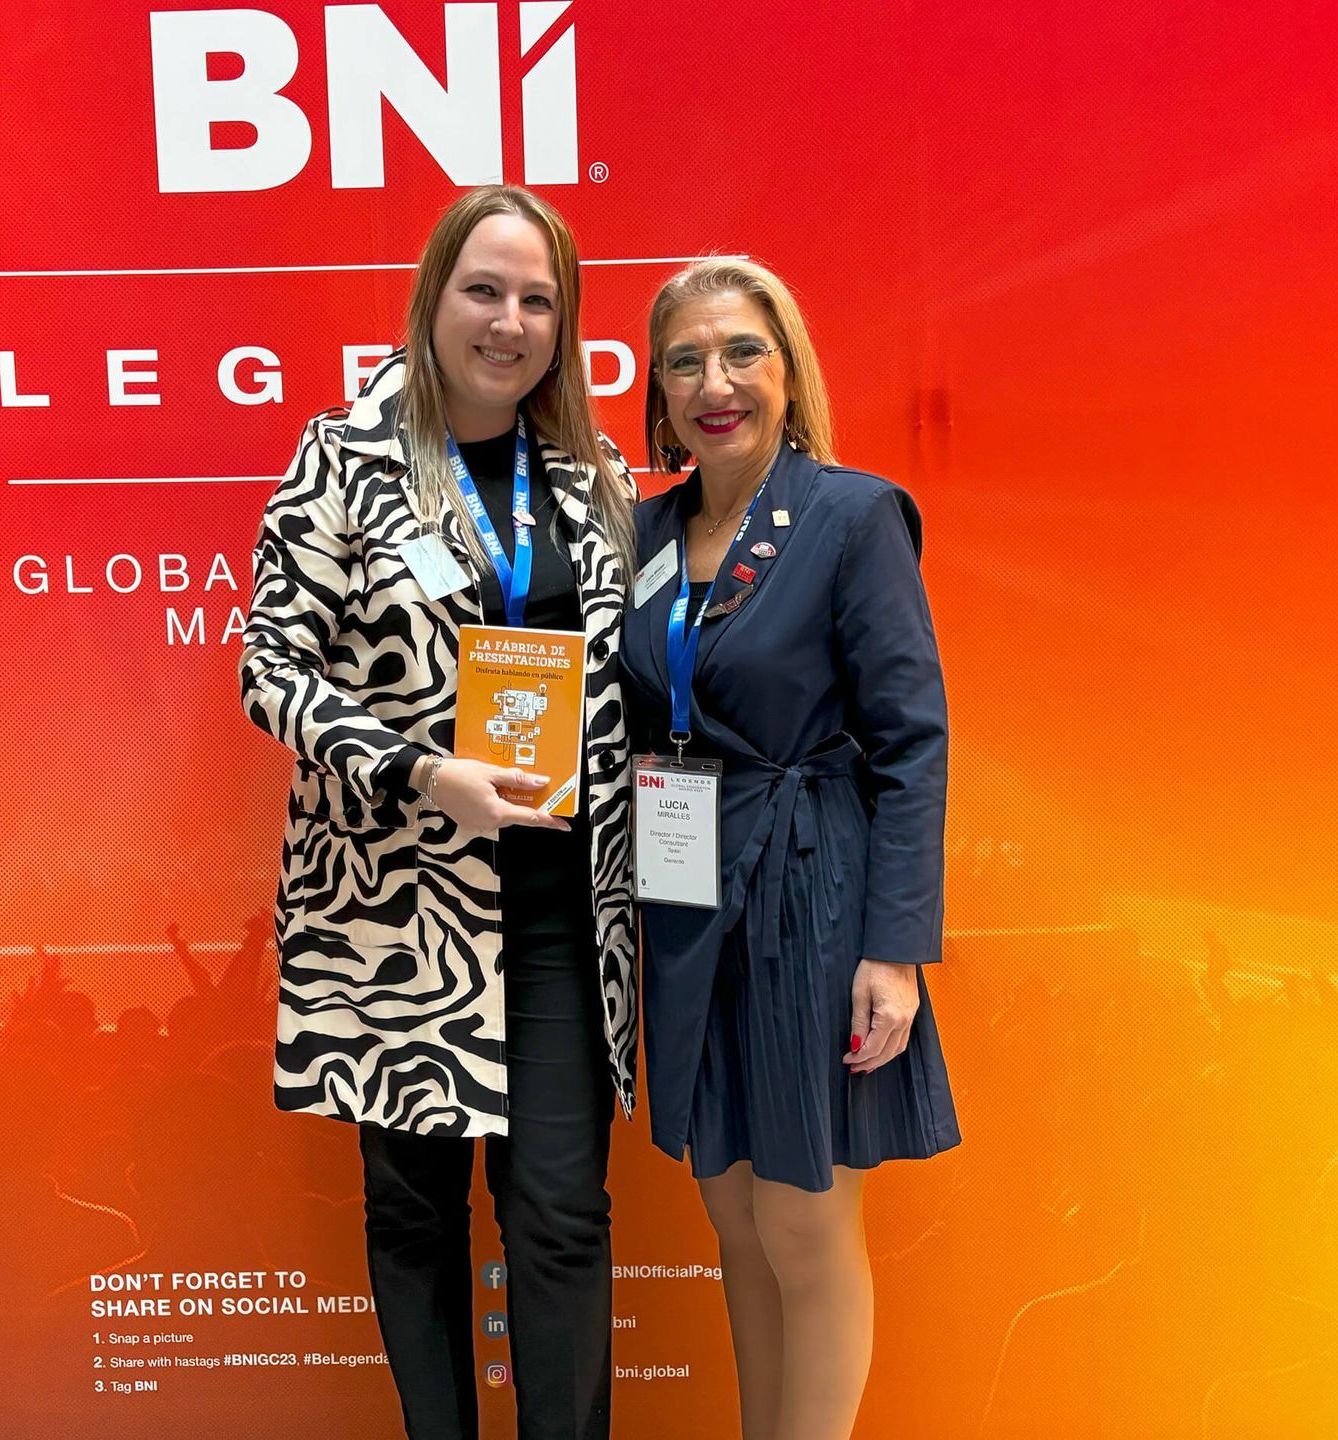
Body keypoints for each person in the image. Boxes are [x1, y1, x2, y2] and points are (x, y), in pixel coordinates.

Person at [239, 184, 638, 1440]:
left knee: (561, 1220)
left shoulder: (591, 474)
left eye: (537, 298)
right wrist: (420, 770)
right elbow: (268, 665)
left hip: (564, 905)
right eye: (485, 289)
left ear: (561, 323)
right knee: (415, 1219)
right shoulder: (342, 456)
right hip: (399, 907)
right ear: (433, 300)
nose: (508, 320)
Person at [621, 258, 961, 1440]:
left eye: (742, 353)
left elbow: (914, 739)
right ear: (658, 393)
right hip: (684, 895)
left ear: (787, 368)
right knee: (733, 1216)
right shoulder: (649, 530)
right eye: (685, 361)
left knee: (806, 1223)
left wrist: (895, 951)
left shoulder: (851, 515)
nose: (716, 383)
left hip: (813, 894)